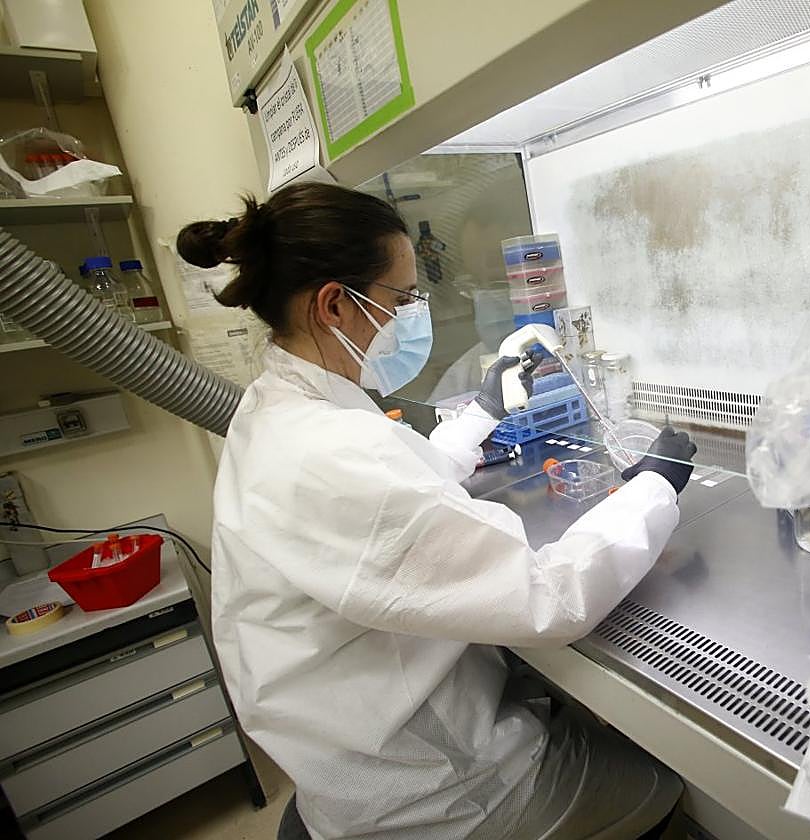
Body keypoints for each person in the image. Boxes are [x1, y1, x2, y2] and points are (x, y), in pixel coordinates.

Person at [178, 182, 698, 840]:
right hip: (440, 795)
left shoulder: (279, 408)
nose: (411, 315)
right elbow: (549, 598)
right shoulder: (324, 452)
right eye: (402, 298)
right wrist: (654, 488)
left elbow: (391, 496)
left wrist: (482, 413)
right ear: (335, 303)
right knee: (668, 790)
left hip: (353, 762)